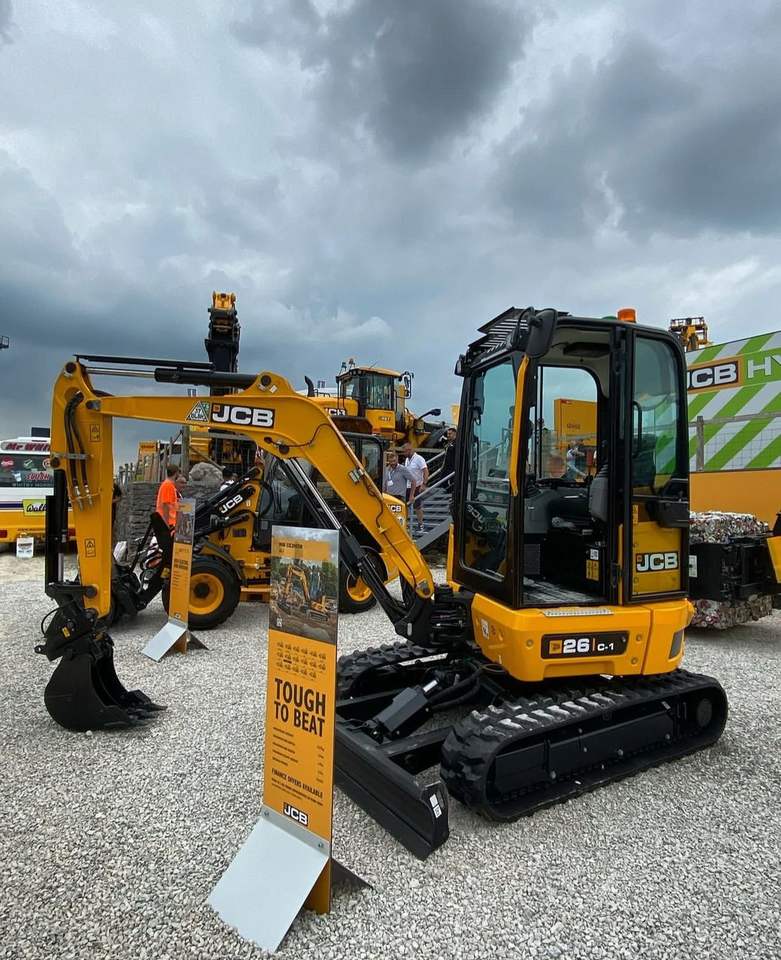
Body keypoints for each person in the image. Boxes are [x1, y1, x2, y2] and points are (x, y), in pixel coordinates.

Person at [402, 442, 429, 531]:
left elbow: (425, 471)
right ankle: (405, 523)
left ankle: (420, 524)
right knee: (405, 505)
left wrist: (424, 484)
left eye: (405, 452)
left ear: (409, 450)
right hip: (408, 485)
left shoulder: (419, 459)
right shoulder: (407, 459)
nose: (404, 454)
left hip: (417, 485)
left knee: (417, 506)